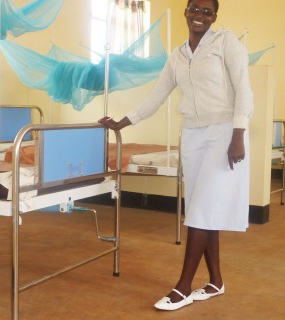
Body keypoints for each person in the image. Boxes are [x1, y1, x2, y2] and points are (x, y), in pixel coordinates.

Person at [98, 0, 253, 311]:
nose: (199, 16)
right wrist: (121, 122)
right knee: (202, 210)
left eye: (207, 12)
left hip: (223, 132)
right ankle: (216, 281)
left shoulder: (227, 43)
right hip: (193, 135)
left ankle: (183, 287)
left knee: (201, 211)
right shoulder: (178, 55)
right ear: (186, 12)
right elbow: (156, 95)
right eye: (194, 9)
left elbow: (244, 89)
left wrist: (238, 134)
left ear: (214, 17)